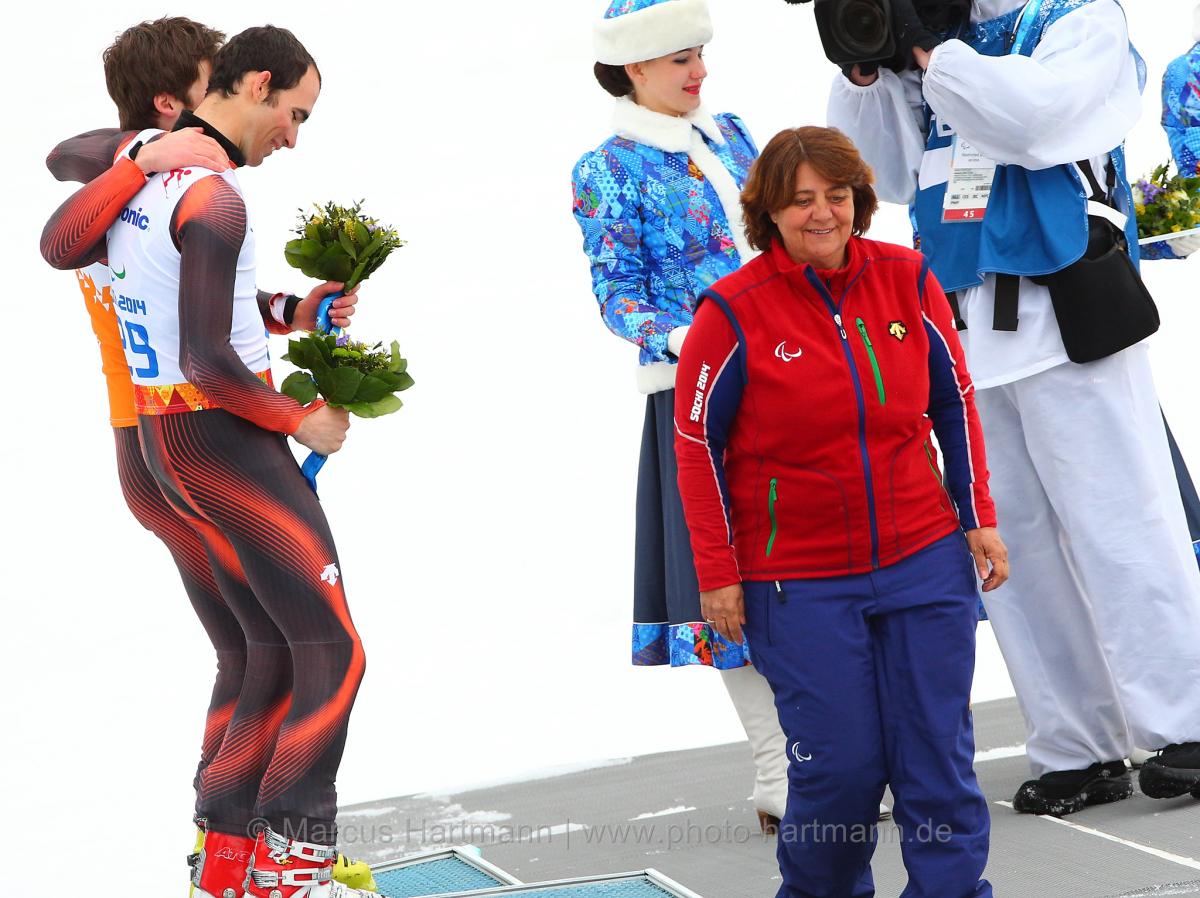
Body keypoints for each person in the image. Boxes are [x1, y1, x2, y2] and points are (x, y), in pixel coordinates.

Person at [828, 0, 1200, 815]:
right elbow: (885, 175)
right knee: (1009, 548)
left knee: (1121, 520)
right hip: (964, 323)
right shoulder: (934, 37)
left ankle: (1188, 723)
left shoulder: (1077, 18)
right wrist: (868, 70)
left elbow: (1036, 122)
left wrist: (930, 51)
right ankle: (1076, 744)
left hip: (1067, 311)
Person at [42, 25, 374, 898]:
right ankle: (288, 872)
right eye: (293, 114)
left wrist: (290, 313)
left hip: (155, 442)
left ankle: (226, 865)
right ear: (247, 86)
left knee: (260, 651)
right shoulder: (198, 189)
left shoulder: (137, 185)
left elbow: (195, 301)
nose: (293, 136)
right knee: (329, 655)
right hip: (208, 438)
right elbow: (207, 358)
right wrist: (298, 418)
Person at [674, 125, 1005, 898]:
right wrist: (719, 575)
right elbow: (694, 444)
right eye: (800, 202)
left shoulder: (907, 277)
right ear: (770, 214)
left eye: (837, 195)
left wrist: (977, 513)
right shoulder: (731, 311)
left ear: (858, 196)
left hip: (923, 557)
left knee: (938, 761)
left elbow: (952, 401)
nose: (823, 214)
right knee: (841, 773)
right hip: (798, 581)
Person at [571, 0, 794, 832]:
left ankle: (833, 754)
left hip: (795, 378)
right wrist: (694, 338)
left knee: (808, 572)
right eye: (676, 59)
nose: (698, 70)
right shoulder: (608, 167)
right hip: (700, 395)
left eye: (699, 52)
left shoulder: (733, 132)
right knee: (729, 586)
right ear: (632, 68)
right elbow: (615, 292)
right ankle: (781, 772)